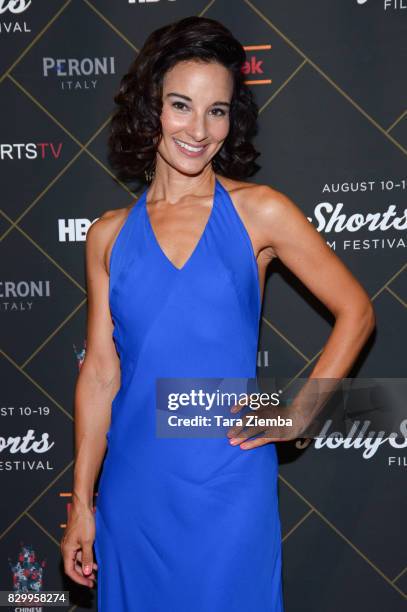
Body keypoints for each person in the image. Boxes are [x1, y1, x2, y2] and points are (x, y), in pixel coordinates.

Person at [60, 15, 375, 612]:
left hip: (231, 486)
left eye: (218, 111)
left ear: (233, 120)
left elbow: (356, 310)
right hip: (134, 494)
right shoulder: (106, 236)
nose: (198, 130)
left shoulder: (260, 212)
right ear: (151, 107)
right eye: (181, 105)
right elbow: (101, 374)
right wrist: (82, 501)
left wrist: (302, 409)